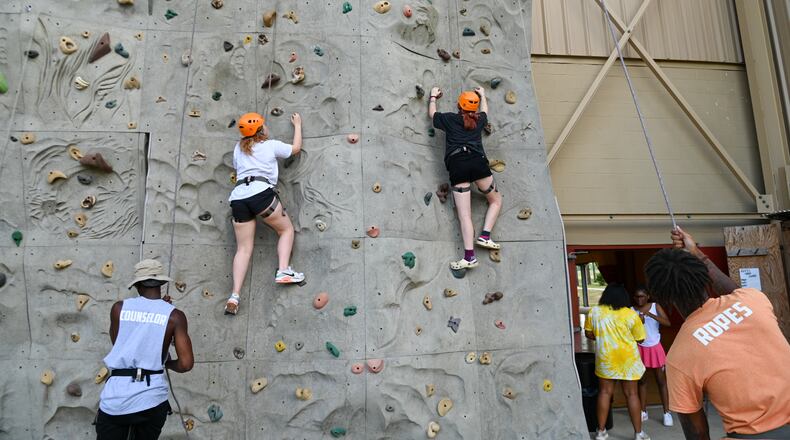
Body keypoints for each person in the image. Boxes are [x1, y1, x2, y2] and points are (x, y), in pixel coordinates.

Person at [645, 227, 790, 439]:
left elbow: (697, 434)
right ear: (705, 278)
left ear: (662, 298)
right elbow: (732, 291)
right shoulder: (753, 300)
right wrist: (696, 253)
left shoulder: (679, 356)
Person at [96, 259, 194, 440]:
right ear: (162, 283)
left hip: (116, 398)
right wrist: (167, 363)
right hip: (152, 399)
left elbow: (121, 344)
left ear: (138, 284)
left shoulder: (118, 309)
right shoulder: (174, 316)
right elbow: (186, 364)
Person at [225, 112, 305, 315]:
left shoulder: (238, 148)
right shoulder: (270, 145)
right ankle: (284, 270)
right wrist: (297, 125)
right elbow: (295, 149)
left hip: (238, 198)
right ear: (261, 129)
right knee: (286, 230)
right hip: (260, 193)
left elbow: (239, 166)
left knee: (243, 248)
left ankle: (234, 296)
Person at [428, 86, 503, 270]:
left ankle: (470, 257)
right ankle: (485, 235)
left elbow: (432, 114)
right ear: (474, 108)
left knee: (465, 215)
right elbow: (485, 111)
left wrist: (432, 96)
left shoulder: (449, 119)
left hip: (458, 165)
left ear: (459, 105)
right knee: (495, 200)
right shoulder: (479, 120)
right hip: (478, 163)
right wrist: (483, 95)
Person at [584, 284, 651, 440]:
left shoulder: (595, 312)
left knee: (604, 393)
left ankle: (601, 432)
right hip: (628, 361)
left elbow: (588, 333)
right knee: (632, 394)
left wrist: (601, 337)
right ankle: (638, 434)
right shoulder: (631, 314)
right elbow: (640, 338)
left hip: (606, 359)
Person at [631, 285, 673, 427]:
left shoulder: (655, 306)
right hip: (639, 348)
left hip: (655, 347)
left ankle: (667, 413)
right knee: (642, 381)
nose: (639, 299)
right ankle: (643, 411)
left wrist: (650, 315)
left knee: (661, 381)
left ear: (648, 296)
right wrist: (638, 321)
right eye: (636, 296)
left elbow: (667, 322)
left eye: (642, 296)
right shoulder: (631, 310)